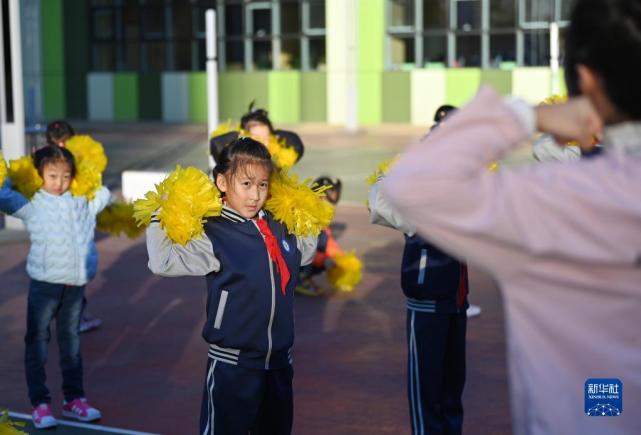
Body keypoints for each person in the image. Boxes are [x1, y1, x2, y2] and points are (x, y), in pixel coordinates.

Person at [382, 0, 641, 433]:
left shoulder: (563, 199)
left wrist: (527, 114)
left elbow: (411, 184)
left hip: (592, 407)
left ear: (586, 77)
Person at [145, 137, 316, 434]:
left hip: (278, 364)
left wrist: (302, 208)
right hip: (232, 366)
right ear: (222, 182)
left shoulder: (278, 224)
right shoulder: (214, 232)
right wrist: (161, 214)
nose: (255, 195)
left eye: (263, 185)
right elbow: (162, 262)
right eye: (246, 184)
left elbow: (306, 254)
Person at [369, 107, 469, 435]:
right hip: (427, 304)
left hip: (456, 303)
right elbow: (378, 199)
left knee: (452, 387)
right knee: (426, 388)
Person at [0, 146, 109, 429]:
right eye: (52, 175)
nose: (59, 182)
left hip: (74, 285)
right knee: (37, 343)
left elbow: (104, 194)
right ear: (39, 176)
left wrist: (87, 177)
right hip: (44, 285)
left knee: (71, 344)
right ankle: (40, 403)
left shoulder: (81, 202)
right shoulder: (33, 204)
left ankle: (74, 400)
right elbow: (2, 195)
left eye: (66, 175)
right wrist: (15, 173)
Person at [210, 102, 305, 171]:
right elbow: (216, 144)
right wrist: (240, 134)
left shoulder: (278, 156)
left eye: (267, 138)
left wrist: (276, 133)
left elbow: (297, 146)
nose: (264, 144)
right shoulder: (236, 156)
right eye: (257, 138)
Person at [296, 176, 343, 296]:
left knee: (323, 241)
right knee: (318, 243)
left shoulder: (318, 212)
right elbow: (300, 245)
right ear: (322, 194)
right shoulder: (306, 212)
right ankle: (298, 279)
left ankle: (302, 276)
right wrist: (324, 259)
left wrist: (340, 258)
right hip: (286, 253)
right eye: (331, 193)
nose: (334, 199)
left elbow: (328, 238)